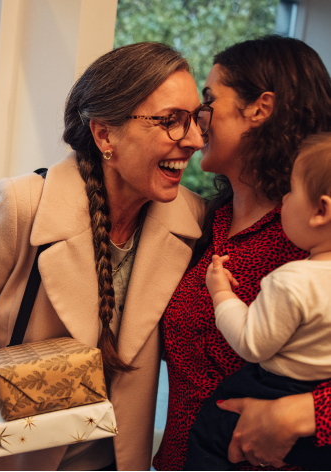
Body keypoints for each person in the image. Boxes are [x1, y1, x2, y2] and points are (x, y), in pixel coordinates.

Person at [0, 42, 209, 471]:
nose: (193, 140)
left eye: (195, 120)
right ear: (104, 134)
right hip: (13, 454)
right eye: (171, 121)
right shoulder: (23, 204)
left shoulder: (192, 219)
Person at [154, 36, 331, 471]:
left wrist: (305, 412)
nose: (199, 121)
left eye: (210, 102)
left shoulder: (314, 238)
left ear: (260, 108)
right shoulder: (201, 222)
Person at [185, 133, 331, 471]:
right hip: (318, 422)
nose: (285, 201)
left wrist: (221, 293)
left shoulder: (292, 279)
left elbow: (252, 343)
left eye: (291, 191)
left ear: (321, 210)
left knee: (210, 429)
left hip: (276, 389)